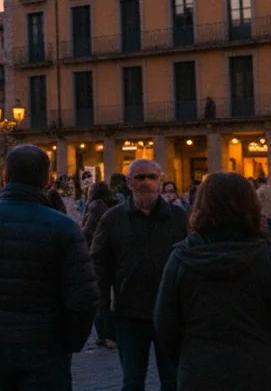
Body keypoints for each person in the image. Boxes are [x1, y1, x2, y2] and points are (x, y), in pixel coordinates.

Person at [0, 144, 98, 391]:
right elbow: (84, 296)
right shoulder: (65, 228)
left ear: (5, 176)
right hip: (45, 343)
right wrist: (69, 341)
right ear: (47, 180)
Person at [156, 172, 271, 391]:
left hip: (200, 371)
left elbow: (164, 326)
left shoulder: (181, 259)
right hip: (262, 371)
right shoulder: (270, 260)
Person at [91, 159, 187, 391]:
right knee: (132, 381)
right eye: (139, 177)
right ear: (129, 182)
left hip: (170, 313)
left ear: (160, 181)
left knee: (172, 380)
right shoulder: (113, 218)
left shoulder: (179, 217)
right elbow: (99, 266)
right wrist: (102, 310)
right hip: (128, 314)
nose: (146, 182)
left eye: (151, 177)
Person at [80, 181, 118, 350]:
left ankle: (103, 334)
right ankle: (109, 334)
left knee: (101, 297)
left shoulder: (94, 207)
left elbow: (87, 231)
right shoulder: (114, 206)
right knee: (111, 297)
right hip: (112, 254)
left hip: (97, 255)